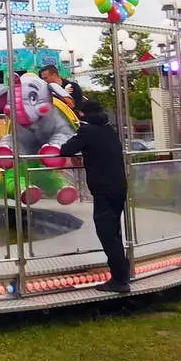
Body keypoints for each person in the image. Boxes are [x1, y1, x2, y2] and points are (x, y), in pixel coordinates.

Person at [60, 99, 130, 292]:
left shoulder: (87, 130)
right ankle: (124, 271)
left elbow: (65, 149)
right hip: (118, 187)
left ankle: (120, 280)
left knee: (107, 234)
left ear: (83, 114)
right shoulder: (109, 129)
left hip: (103, 189)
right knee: (114, 231)